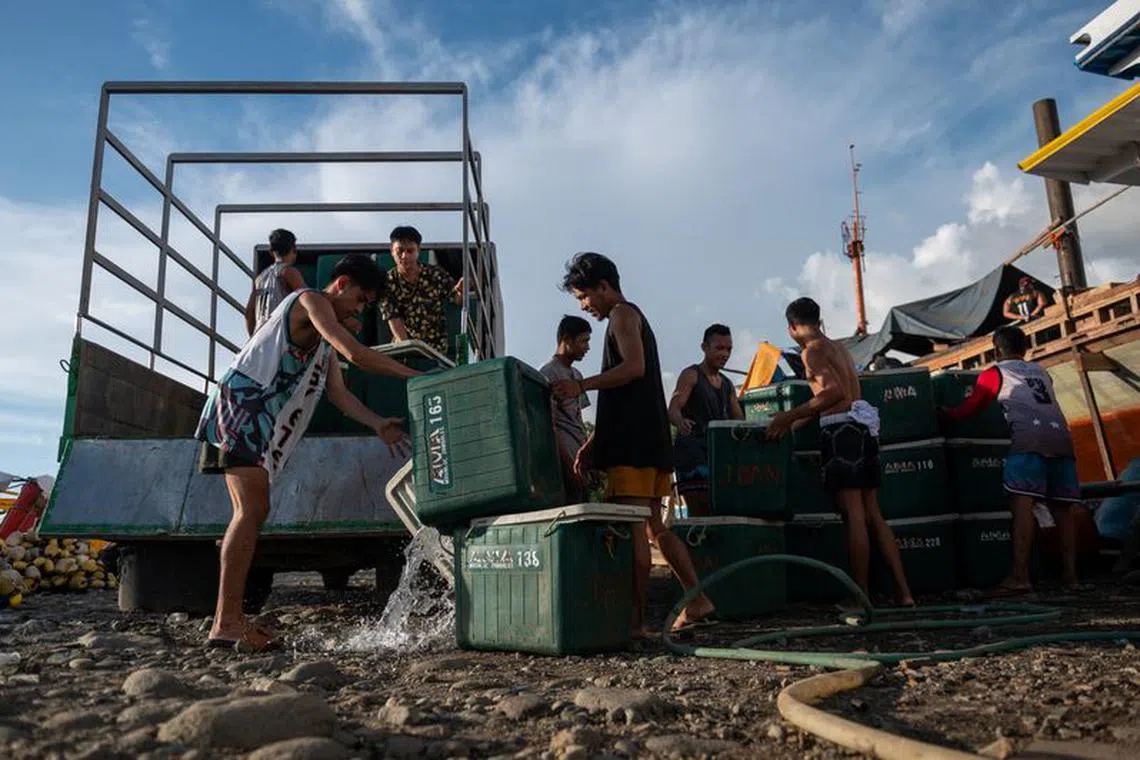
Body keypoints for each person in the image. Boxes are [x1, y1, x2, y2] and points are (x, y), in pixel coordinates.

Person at [197, 254, 423, 652]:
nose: (360, 309)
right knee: (249, 511)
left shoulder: (321, 347)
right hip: (243, 405)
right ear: (342, 283)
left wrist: (376, 423)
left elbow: (339, 394)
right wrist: (421, 376)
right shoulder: (310, 300)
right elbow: (357, 354)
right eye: (360, 299)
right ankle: (226, 622)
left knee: (254, 511)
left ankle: (229, 618)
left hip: (259, 416)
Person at [552, 252, 716, 636]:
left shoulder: (623, 315)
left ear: (604, 286)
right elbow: (626, 392)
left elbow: (633, 369)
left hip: (634, 445)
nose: (584, 306)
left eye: (584, 297)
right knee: (656, 526)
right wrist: (594, 440)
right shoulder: (627, 318)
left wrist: (580, 385)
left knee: (633, 529)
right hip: (648, 439)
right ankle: (697, 600)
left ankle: (635, 622)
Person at [766, 297, 914, 607]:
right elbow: (832, 397)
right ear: (819, 321)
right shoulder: (840, 349)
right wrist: (795, 423)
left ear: (792, 328)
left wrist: (787, 416)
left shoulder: (811, 351)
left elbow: (833, 393)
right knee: (875, 515)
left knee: (855, 517)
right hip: (862, 427)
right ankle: (904, 593)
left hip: (841, 433)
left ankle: (860, 597)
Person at [940, 325, 1084, 596]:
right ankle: (1070, 577)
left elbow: (971, 407)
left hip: (1029, 441)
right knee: (1063, 510)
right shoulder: (1042, 372)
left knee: (1022, 506)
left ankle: (1019, 576)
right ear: (1025, 348)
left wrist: (946, 413)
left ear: (996, 349)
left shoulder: (995, 373)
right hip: (1062, 438)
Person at [668, 324, 744, 517]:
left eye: (729, 349)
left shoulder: (727, 384)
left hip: (718, 457)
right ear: (704, 347)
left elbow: (740, 422)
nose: (725, 354)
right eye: (719, 348)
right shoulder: (691, 375)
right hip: (693, 454)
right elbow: (674, 407)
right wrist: (680, 421)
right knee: (700, 512)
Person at [379, 225, 465, 357]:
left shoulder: (436, 275)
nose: (404, 256)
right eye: (399, 251)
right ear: (392, 251)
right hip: (404, 349)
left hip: (436, 350)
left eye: (410, 251)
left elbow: (457, 299)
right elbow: (393, 319)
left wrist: (460, 291)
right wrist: (409, 350)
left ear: (418, 251)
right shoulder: (387, 283)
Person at [540, 316, 593, 503]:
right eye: (583, 341)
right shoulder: (548, 373)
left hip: (579, 456)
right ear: (567, 340)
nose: (587, 347)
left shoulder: (577, 375)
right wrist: (567, 464)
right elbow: (548, 425)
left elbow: (578, 419)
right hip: (564, 461)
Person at [245, 228, 308, 336]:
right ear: (293, 249)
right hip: (279, 337)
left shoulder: (260, 279)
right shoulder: (288, 272)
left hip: (260, 336)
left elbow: (249, 313)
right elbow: (309, 302)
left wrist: (253, 338)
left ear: (271, 252)